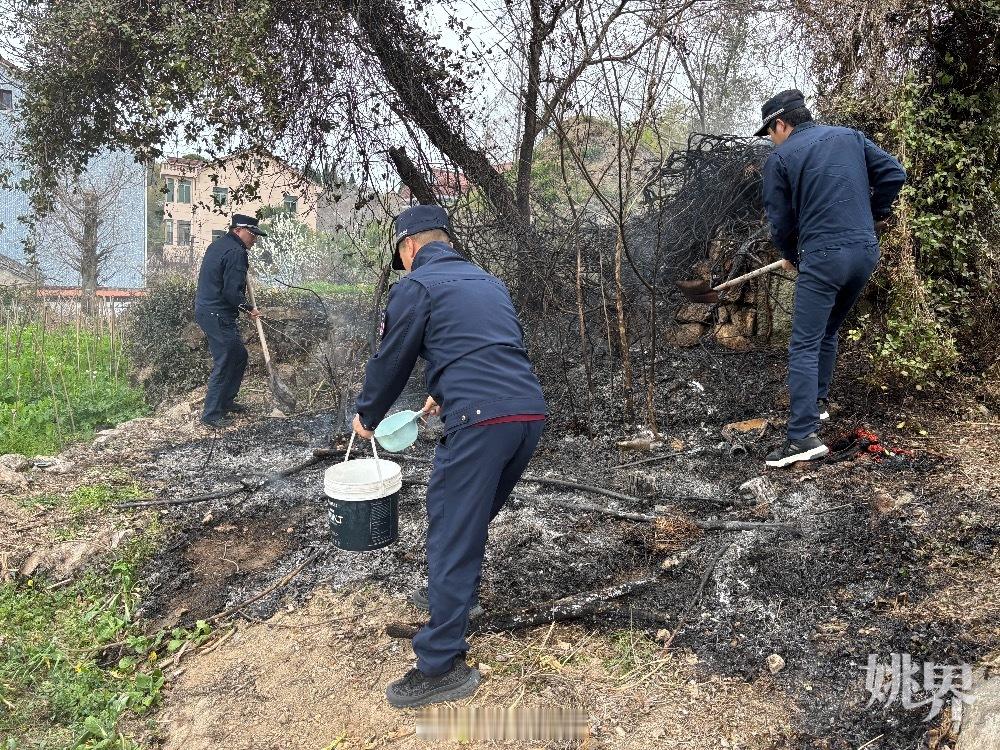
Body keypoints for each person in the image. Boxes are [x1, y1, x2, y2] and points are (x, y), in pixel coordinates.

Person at [352, 204, 547, 708]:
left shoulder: (415, 287)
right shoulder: (489, 283)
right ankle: (458, 601)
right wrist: (444, 389)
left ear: (410, 246)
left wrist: (367, 415)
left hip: (481, 422)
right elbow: (488, 348)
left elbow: (391, 358)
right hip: (526, 414)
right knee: (470, 518)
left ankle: (440, 666)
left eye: (402, 254)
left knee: (449, 524)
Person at [756, 90, 906, 468]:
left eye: (769, 132)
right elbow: (894, 173)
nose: (771, 139)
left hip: (823, 256)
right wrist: (874, 214)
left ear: (780, 123)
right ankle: (818, 404)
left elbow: (781, 221)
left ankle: (802, 436)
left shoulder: (781, 158)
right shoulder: (849, 136)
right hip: (864, 251)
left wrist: (791, 255)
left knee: (804, 343)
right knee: (827, 330)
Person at [194, 213, 266, 428]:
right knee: (225, 360)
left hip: (207, 310)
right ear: (238, 230)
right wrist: (249, 308)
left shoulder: (220, 245)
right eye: (252, 234)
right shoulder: (236, 252)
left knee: (239, 356)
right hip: (217, 313)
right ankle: (211, 414)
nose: (255, 239)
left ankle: (226, 401)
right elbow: (231, 292)